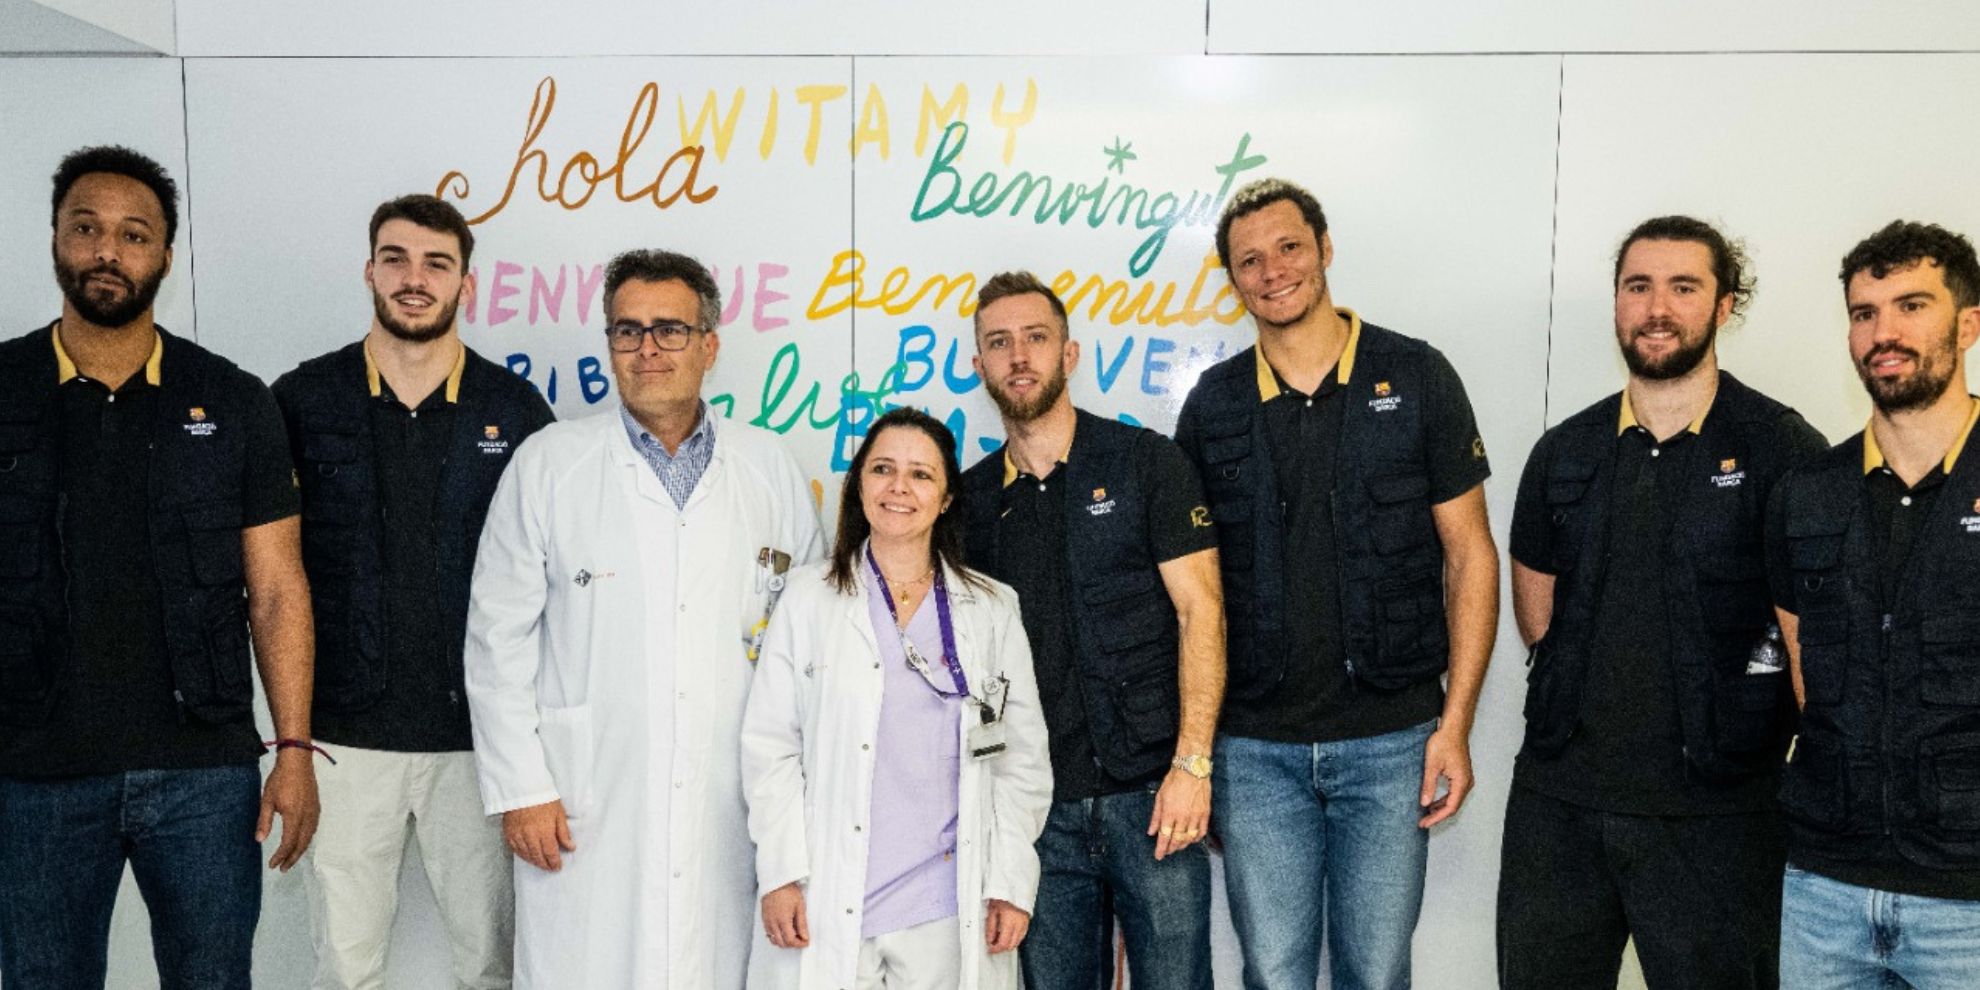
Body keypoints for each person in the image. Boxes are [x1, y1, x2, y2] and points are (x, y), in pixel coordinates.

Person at [0, 145, 317, 989]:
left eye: (134, 235)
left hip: (203, 775)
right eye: (88, 229)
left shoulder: (232, 397)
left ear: (165, 258)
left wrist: (290, 749)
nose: (109, 251)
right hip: (33, 775)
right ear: (55, 240)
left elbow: (278, 590)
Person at [1173, 177, 1500, 990]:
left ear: (1324, 247)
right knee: (1274, 973)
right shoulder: (1212, 407)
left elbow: (1472, 557)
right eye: (1249, 259)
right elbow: (1187, 599)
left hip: (1392, 743)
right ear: (1233, 279)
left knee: (1377, 972)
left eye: (1288, 246)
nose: (1272, 269)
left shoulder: (1417, 376)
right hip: (1255, 752)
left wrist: (1454, 724)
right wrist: (1200, 754)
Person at [464, 248, 822, 989]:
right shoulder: (548, 463)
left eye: (670, 330)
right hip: (584, 805)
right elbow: (496, 639)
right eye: (627, 331)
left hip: (733, 799)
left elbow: (808, 642)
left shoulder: (769, 469)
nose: (647, 349)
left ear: (710, 345)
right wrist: (522, 786)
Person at [1498, 216, 1826, 989]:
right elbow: (1536, 616)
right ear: (1616, 302)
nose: (1657, 308)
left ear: (1724, 307)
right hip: (1561, 808)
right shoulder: (1564, 452)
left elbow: (1814, 640)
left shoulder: (1784, 451)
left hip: (1720, 812)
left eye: (1684, 287)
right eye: (1638, 286)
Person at [273, 194, 554, 989]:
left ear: (467, 283)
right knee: (343, 965)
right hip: (343, 738)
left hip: (478, 742)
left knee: (492, 965)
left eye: (437, 263)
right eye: (395, 258)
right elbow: (268, 574)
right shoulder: (303, 399)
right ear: (369, 270)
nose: (414, 279)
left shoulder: (516, 411)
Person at [958, 271, 1224, 990]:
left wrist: (1193, 767)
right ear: (979, 366)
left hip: (1154, 799)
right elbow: (969, 668)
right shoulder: (968, 504)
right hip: (1039, 814)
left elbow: (1203, 613)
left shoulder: (1147, 464)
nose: (1020, 357)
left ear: (1069, 354)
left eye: (1036, 338)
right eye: (999, 343)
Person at [743, 406, 1053, 990]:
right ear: (858, 484)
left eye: (921, 474)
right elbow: (770, 749)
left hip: (946, 902)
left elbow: (1023, 763)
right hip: (829, 891)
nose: (899, 488)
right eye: (883, 469)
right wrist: (780, 872)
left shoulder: (991, 608)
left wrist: (1010, 881)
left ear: (948, 498)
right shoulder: (807, 599)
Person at [1767, 220, 1980, 988]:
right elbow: (1802, 667)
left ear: (1969, 324)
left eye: (1911, 305)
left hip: (1969, 901)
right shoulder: (1807, 493)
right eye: (1864, 313)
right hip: (1825, 887)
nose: (1883, 332)